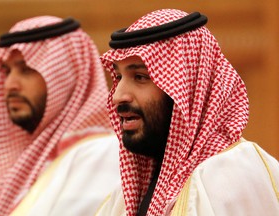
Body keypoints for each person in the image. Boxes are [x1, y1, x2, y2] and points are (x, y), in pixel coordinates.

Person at [96, 9, 279, 216]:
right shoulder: (128, 195)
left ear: (188, 88)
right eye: (118, 77)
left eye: (140, 77)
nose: (117, 96)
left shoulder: (230, 177)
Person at [0, 16, 120, 215]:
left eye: (26, 70)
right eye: (7, 71)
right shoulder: (22, 159)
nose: (10, 84)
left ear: (65, 76)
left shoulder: (99, 152)